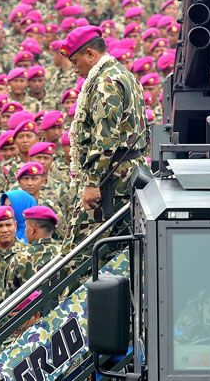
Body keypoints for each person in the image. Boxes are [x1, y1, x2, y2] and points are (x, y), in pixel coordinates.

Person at [60, 25, 150, 251]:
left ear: (90, 54)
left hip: (111, 177)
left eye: (75, 61)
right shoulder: (123, 74)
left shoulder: (105, 83)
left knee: (78, 253)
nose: (74, 69)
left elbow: (105, 138)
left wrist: (91, 182)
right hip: (125, 171)